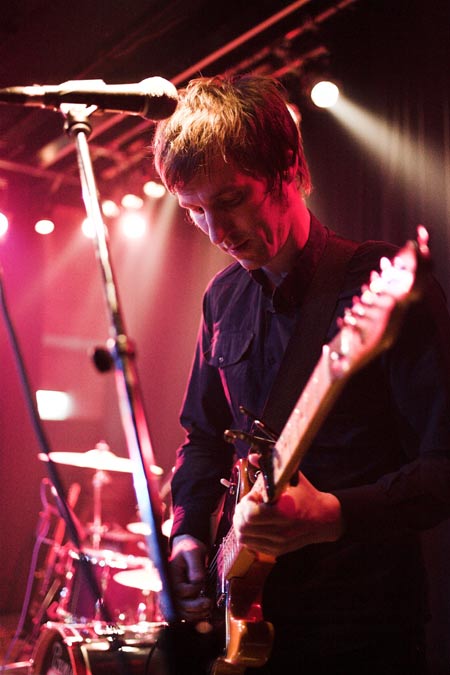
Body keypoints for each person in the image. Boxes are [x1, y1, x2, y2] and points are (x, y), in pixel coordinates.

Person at [151, 74, 450, 674]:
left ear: (288, 167)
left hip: (361, 628)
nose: (217, 232)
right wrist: (188, 535)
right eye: (194, 211)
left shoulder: (373, 283)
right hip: (245, 626)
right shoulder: (221, 297)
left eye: (231, 199)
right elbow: (203, 439)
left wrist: (333, 515)